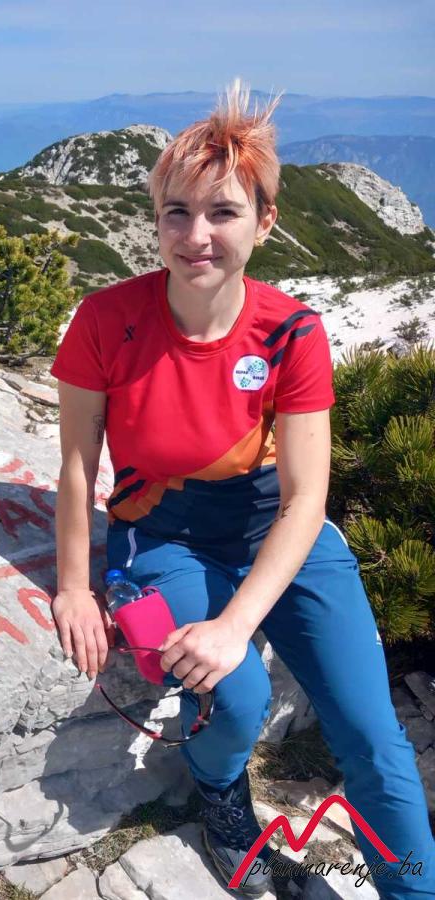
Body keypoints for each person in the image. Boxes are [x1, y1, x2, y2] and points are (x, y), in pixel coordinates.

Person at [49, 79, 435, 898]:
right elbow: (79, 464)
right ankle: (222, 794)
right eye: (176, 213)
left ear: (264, 223)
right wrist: (75, 587)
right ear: (156, 221)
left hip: (278, 530)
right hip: (166, 531)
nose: (196, 236)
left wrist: (236, 624)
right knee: (234, 697)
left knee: (373, 739)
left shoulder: (291, 332)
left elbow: (304, 500)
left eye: (222, 213)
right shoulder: (105, 321)